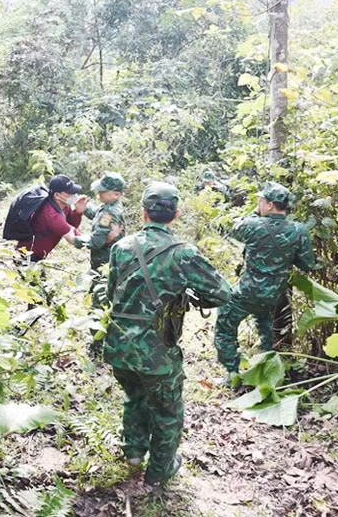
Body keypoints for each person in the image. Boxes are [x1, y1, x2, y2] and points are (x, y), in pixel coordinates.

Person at [105, 182, 231, 487]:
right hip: (157, 351)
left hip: (119, 345)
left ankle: (134, 452)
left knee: (134, 396)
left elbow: (111, 294)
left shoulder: (121, 247)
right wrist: (187, 295)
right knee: (167, 410)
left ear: (144, 212)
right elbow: (222, 293)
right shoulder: (183, 253)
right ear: (175, 215)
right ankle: (159, 471)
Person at [213, 181, 316, 381]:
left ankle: (232, 373)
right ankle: (268, 360)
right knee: (264, 319)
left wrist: (254, 212)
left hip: (248, 291)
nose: (258, 203)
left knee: (225, 321)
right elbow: (307, 264)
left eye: (261, 200)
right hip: (275, 293)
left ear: (269, 205)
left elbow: (235, 230)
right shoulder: (299, 230)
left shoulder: (253, 226)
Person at [75, 172, 126, 305]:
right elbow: (98, 215)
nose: (99, 192)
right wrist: (86, 208)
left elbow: (97, 241)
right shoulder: (109, 207)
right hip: (103, 263)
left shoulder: (110, 213)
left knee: (100, 301)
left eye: (103, 190)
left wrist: (74, 239)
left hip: (105, 264)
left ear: (116, 194)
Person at [16, 174, 89, 262]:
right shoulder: (51, 214)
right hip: (27, 257)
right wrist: (97, 240)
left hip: (38, 257)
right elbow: (72, 238)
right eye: (70, 193)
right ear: (57, 195)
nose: (73, 195)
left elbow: (71, 225)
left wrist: (78, 212)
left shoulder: (64, 206)